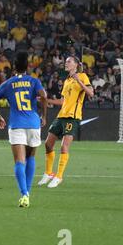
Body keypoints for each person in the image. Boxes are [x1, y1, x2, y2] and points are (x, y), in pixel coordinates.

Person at [0, 52, 47, 208]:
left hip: (16, 125)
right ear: (27, 67)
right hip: (33, 124)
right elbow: (44, 96)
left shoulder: (8, 83)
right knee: (31, 158)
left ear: (14, 67)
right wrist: (44, 116)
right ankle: (28, 192)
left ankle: (24, 194)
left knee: (19, 161)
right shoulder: (34, 81)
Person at [38, 56, 94, 188]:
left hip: (72, 117)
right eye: (66, 62)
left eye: (69, 61)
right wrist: (47, 101)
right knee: (47, 144)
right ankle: (48, 173)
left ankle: (59, 176)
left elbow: (91, 93)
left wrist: (79, 81)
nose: (66, 63)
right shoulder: (67, 80)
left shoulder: (83, 76)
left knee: (64, 147)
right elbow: (62, 102)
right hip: (61, 116)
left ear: (75, 64)